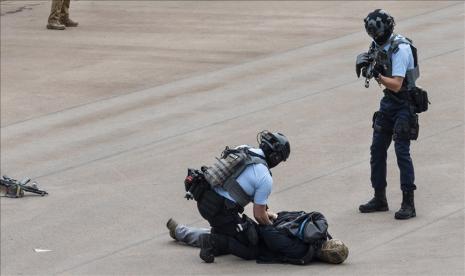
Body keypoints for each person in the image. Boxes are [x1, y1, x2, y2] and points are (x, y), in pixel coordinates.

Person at [355, 9, 424, 220]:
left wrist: (378, 75)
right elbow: (376, 66)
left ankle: (408, 203)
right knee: (377, 149)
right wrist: (367, 67)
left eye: (375, 32)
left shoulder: (400, 49)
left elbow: (396, 84)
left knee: (402, 151)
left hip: (404, 101)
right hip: (389, 102)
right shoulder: (377, 44)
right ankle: (380, 198)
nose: (373, 36)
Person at [182, 131, 290, 262]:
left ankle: (180, 231)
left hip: (204, 199)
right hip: (221, 212)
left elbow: (239, 181)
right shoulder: (265, 177)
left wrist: (267, 212)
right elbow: (259, 215)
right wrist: (272, 228)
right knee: (251, 248)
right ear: (276, 158)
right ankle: (210, 241)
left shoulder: (243, 148)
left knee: (228, 236)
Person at [165, 212, 349, 265]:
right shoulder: (310, 242)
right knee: (223, 237)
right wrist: (269, 218)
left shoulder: (311, 237)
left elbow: (271, 235)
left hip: (254, 244)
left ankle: (183, 233)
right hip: (256, 242)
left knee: (221, 238)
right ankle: (183, 233)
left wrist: (266, 218)